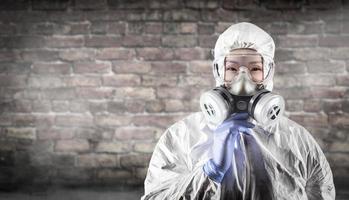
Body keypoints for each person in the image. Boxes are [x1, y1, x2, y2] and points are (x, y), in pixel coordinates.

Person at [141, 22, 335, 200]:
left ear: (268, 72)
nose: (243, 81)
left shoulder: (297, 140)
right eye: (232, 69)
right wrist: (211, 170)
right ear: (218, 71)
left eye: (255, 69)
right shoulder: (181, 137)